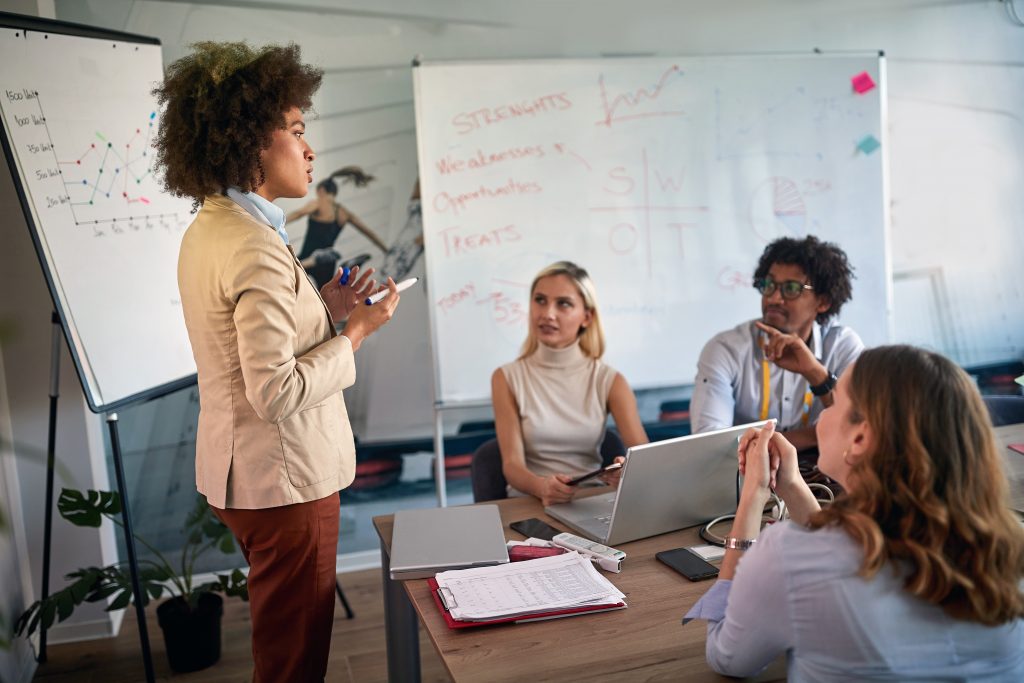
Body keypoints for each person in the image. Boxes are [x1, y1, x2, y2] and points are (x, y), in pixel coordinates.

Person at [153, 42, 400, 682]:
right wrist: (357, 332)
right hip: (286, 483)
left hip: (244, 474)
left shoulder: (214, 226)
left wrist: (324, 304)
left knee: (282, 645)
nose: (310, 147)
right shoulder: (255, 245)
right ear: (250, 143)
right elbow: (276, 392)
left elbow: (252, 340)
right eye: (295, 130)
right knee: (294, 662)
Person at [684, 345, 1024, 681]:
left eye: (834, 404)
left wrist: (752, 498)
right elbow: (836, 549)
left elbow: (727, 657)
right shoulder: (1008, 544)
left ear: (859, 439)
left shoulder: (788, 554)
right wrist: (791, 485)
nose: (821, 415)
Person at [491, 261, 649, 506]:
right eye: (540, 300)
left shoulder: (610, 381)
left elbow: (645, 458)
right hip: (530, 502)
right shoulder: (506, 377)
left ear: (587, 317)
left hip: (592, 500)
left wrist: (626, 473)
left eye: (563, 303)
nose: (547, 313)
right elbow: (512, 466)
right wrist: (541, 487)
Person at [690, 235, 864, 451]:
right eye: (769, 285)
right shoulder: (726, 349)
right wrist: (819, 434)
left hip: (825, 480)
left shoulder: (842, 346)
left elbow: (862, 427)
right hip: (747, 480)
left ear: (823, 301)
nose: (773, 298)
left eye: (791, 288)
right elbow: (709, 445)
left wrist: (815, 373)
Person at [288, 167, 389, 288]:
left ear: (321, 190)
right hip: (327, 263)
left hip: (308, 257)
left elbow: (298, 213)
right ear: (335, 193)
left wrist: (278, 222)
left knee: (291, 285)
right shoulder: (344, 213)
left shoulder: (318, 203)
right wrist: (386, 250)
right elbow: (369, 233)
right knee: (324, 299)